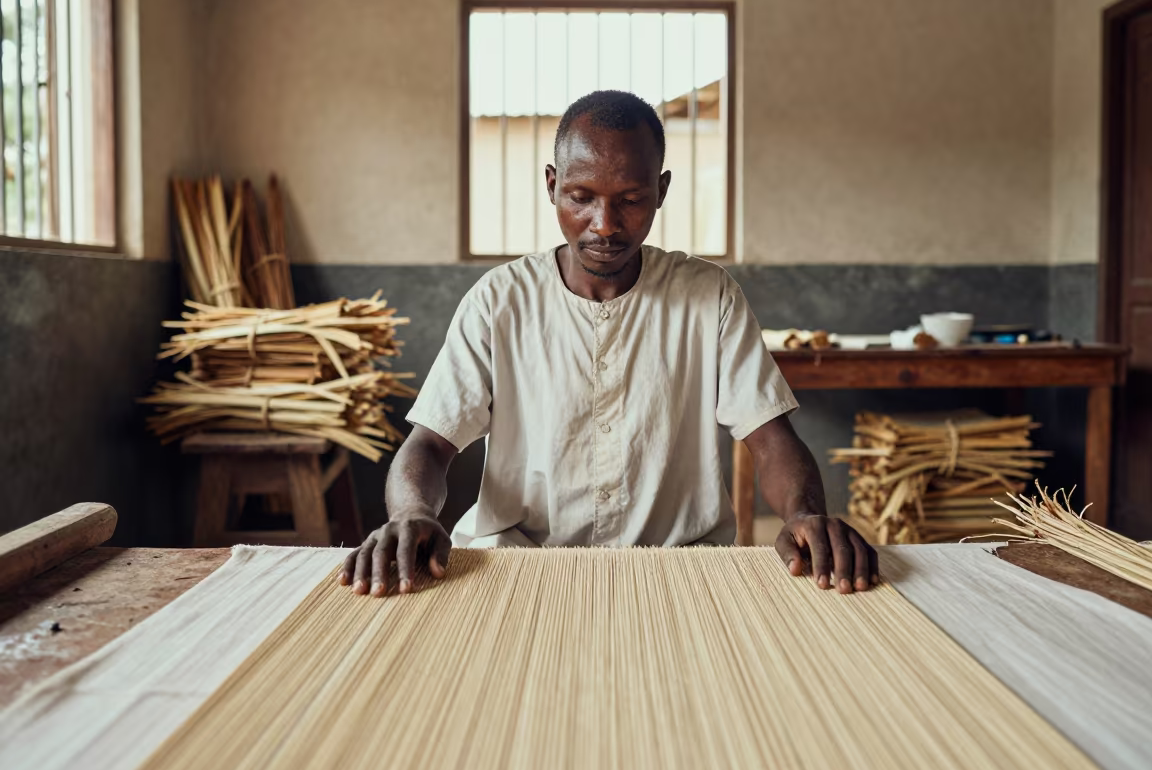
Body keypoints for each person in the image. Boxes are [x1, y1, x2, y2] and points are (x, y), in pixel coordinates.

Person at [340, 90, 877, 597]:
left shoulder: (709, 296)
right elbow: (430, 444)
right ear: (551, 184)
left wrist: (803, 514)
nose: (605, 224)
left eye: (631, 200)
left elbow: (770, 437)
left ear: (661, 192)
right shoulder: (497, 301)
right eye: (581, 197)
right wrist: (412, 513)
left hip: (680, 567)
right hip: (521, 564)